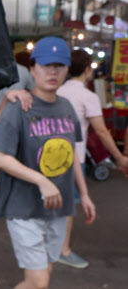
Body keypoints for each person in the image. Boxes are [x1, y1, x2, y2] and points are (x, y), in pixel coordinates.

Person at [0, 37, 96, 289]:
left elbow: (72, 156)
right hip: (24, 209)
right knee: (38, 282)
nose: (53, 72)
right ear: (33, 69)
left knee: (43, 274)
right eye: (47, 65)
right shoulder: (19, 107)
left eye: (60, 65)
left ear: (68, 70)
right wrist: (41, 180)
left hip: (58, 208)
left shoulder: (67, 107)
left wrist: (85, 194)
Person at [55, 50, 128, 269]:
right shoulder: (88, 96)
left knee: (52, 202)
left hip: (48, 156)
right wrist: (119, 158)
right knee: (67, 205)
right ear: (87, 70)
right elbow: (102, 132)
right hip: (72, 158)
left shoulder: (56, 90)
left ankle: (50, 246)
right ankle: (62, 250)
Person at [0, 51, 36, 204]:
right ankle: (14, 194)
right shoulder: (23, 70)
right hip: (18, 118)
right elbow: (32, 89)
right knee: (14, 157)